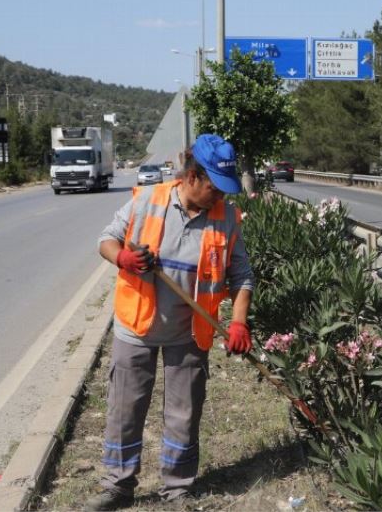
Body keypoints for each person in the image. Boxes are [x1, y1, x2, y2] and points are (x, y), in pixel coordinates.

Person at [86, 134, 254, 511]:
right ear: (192, 176)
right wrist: (123, 259)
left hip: (190, 333)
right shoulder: (148, 200)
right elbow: (106, 240)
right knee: (125, 410)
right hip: (136, 328)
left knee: (184, 412)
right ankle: (118, 486)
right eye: (214, 187)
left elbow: (242, 276)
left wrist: (239, 322)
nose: (219, 196)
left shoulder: (226, 217)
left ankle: (177, 489)